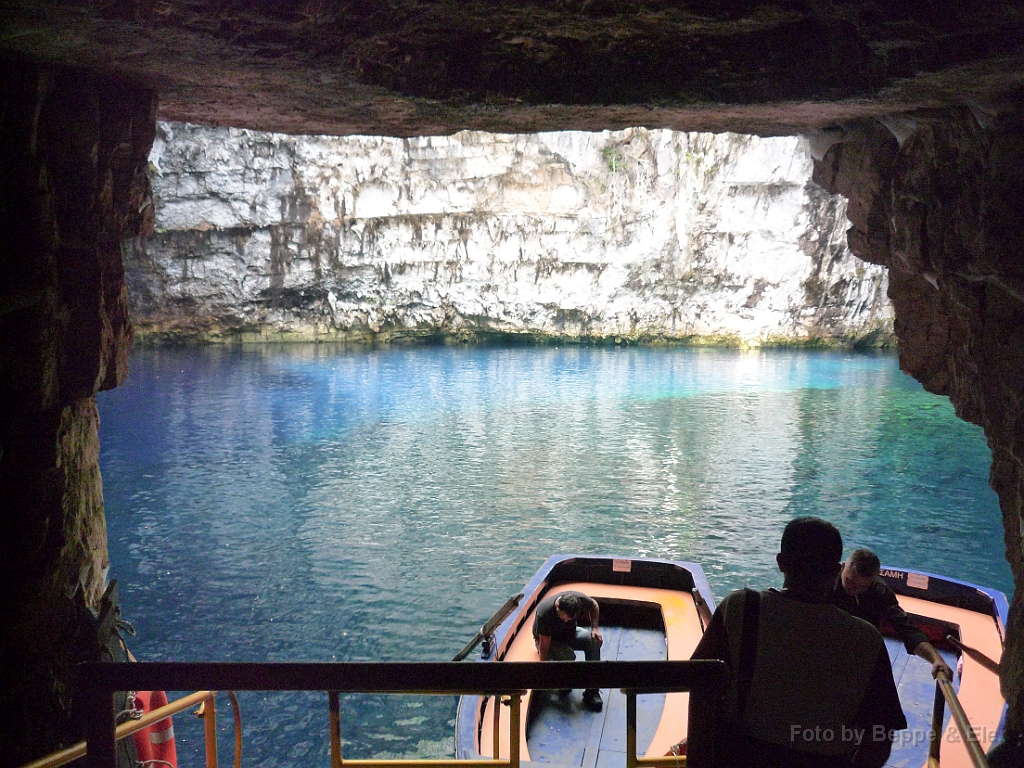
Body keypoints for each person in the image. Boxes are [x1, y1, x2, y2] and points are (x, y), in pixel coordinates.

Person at [691, 517, 907, 767]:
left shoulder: (740, 608)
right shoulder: (866, 639)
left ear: (781, 563)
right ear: (836, 570)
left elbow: (699, 683)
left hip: (742, 755)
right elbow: (879, 737)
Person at [830, 549, 953, 680]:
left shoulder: (880, 593)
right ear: (842, 567)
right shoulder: (825, 582)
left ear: (872, 581)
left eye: (861, 587)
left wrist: (936, 659)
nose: (853, 589)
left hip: (862, 648)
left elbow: (907, 629)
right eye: (849, 581)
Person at [532, 590, 604, 711]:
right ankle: (564, 685)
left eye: (569, 618)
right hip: (549, 639)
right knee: (568, 655)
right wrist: (542, 667)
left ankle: (592, 690)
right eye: (562, 616)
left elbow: (594, 605)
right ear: (557, 606)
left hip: (569, 633)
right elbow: (544, 644)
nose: (565, 620)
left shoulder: (578, 600)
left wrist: (595, 628)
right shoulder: (544, 612)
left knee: (593, 641)